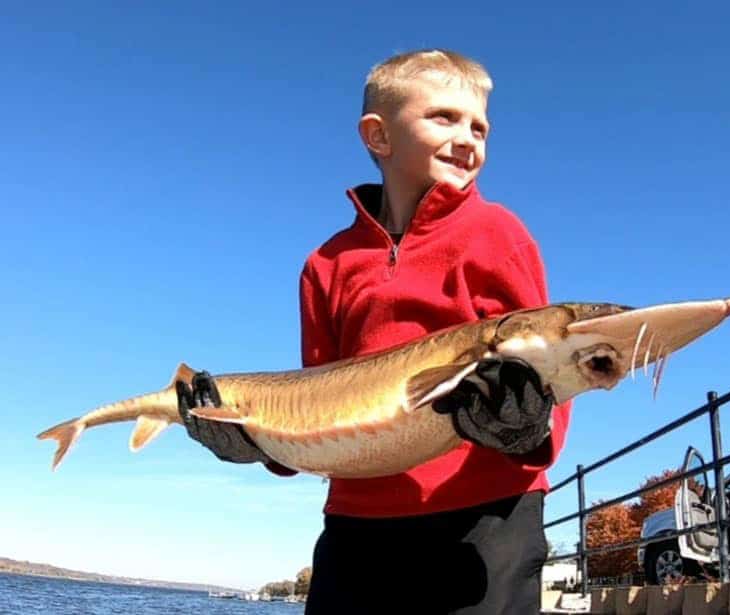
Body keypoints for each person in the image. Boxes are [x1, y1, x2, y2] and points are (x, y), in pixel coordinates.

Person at [177, 49, 572, 614]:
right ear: (378, 136)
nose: (469, 138)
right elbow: (314, 399)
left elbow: (549, 367)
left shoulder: (500, 235)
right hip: (357, 523)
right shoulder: (325, 264)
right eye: (444, 117)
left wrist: (528, 432)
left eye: (480, 126)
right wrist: (258, 441)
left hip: (486, 514)